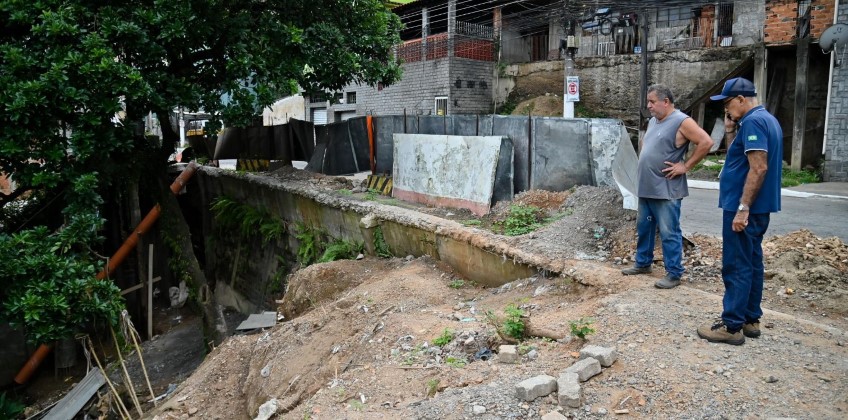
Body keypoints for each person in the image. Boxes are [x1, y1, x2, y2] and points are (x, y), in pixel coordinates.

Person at [697, 77, 783, 345]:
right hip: (759, 208)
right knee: (753, 262)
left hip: (745, 208)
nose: (726, 110)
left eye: (727, 103)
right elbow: (744, 158)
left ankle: (732, 326)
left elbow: (759, 167)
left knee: (736, 265)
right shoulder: (765, 119)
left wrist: (743, 208)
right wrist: (731, 130)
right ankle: (750, 319)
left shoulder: (755, 122)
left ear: (742, 99)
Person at [621, 84, 714, 289]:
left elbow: (706, 142)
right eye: (648, 102)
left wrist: (686, 166)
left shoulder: (682, 121)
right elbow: (647, 144)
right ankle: (643, 263)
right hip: (647, 187)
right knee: (644, 227)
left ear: (666, 102)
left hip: (666, 189)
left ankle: (674, 273)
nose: (649, 106)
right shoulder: (654, 121)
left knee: (669, 231)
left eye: (652, 102)